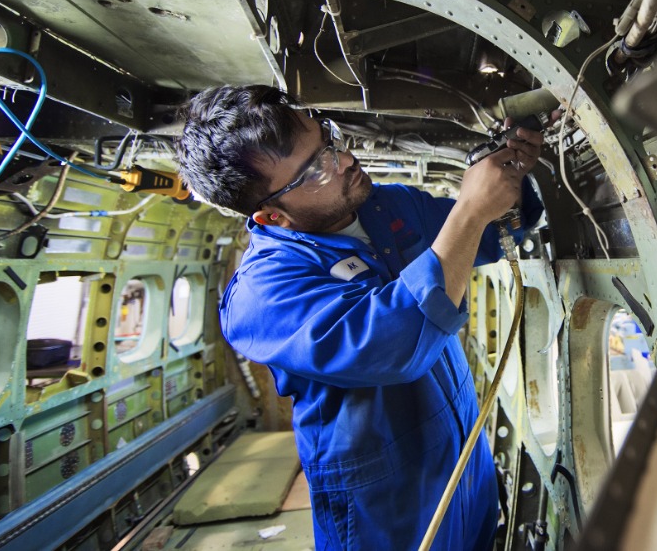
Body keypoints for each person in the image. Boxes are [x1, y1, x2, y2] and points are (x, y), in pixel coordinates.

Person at [175, 84, 545, 550]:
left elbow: (493, 235)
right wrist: (470, 211)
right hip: (387, 509)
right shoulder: (262, 296)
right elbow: (398, 345)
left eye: (328, 139)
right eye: (315, 168)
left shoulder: (387, 206)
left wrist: (510, 174)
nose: (344, 159)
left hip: (464, 468)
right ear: (272, 217)